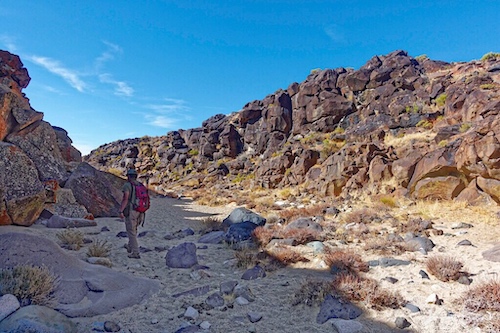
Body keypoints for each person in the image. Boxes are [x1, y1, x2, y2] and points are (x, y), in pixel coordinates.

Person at [119, 168, 145, 259]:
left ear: (128, 177)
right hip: (140, 211)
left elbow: (125, 198)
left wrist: (121, 210)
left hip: (131, 211)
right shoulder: (140, 185)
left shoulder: (127, 185)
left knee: (131, 232)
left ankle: (135, 252)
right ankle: (130, 247)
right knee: (134, 230)